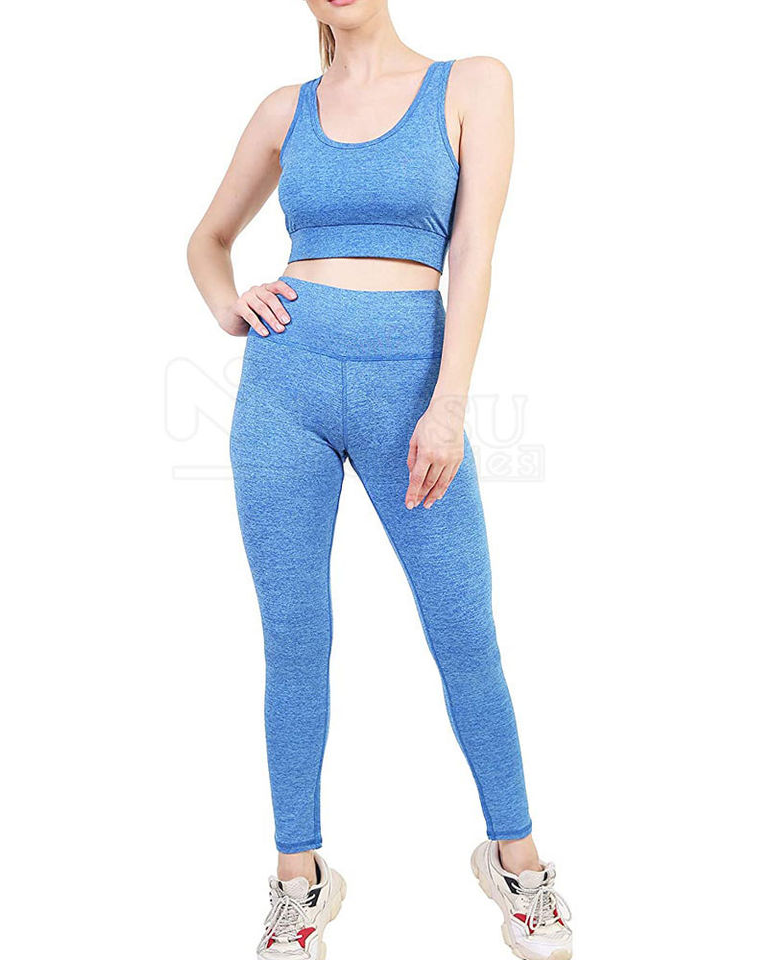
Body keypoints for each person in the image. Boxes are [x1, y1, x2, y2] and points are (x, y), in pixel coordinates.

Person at [187, 2, 572, 957]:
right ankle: (298, 880)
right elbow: (207, 240)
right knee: (294, 637)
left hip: (412, 388)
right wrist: (230, 306)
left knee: (463, 630)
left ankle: (519, 864)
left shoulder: (472, 83)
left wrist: (448, 404)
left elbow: (474, 249)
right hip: (284, 386)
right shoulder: (285, 109)